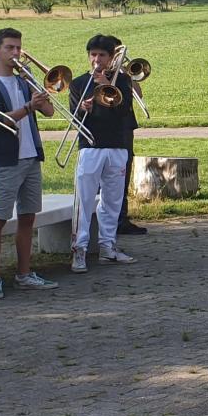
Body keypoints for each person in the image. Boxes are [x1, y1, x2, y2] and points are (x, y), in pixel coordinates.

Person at [0, 28, 60, 299]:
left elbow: (49, 111)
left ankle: (24, 274)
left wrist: (37, 90)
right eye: (10, 48)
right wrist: (28, 107)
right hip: (5, 160)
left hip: (30, 157)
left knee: (27, 218)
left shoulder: (25, 81)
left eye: (18, 48)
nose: (15, 53)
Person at [69, 34, 138, 272]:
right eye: (93, 55)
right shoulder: (78, 83)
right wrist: (82, 108)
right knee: (84, 201)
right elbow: (74, 118)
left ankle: (108, 246)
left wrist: (105, 84)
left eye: (102, 55)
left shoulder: (122, 82)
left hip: (117, 145)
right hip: (90, 146)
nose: (96, 60)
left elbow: (125, 111)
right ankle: (79, 250)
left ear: (111, 59)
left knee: (112, 201)